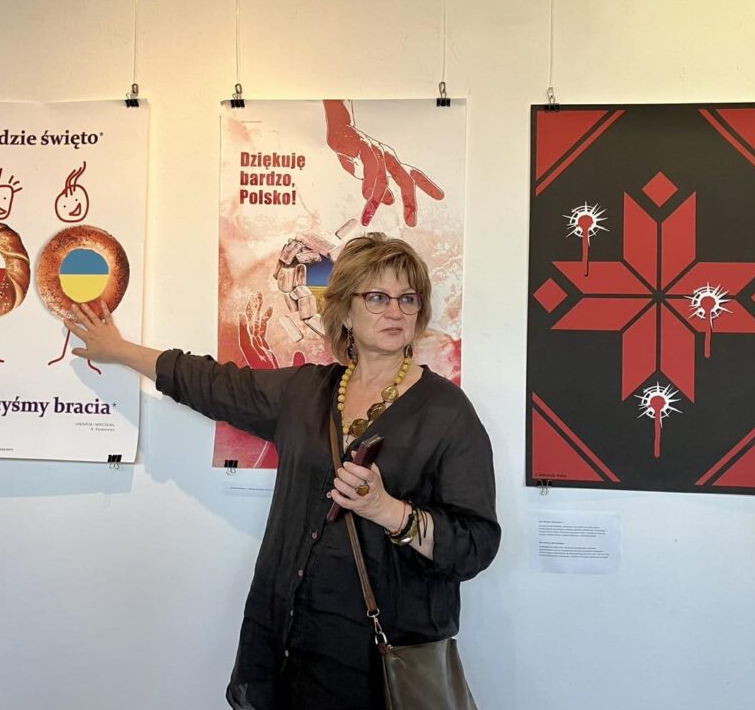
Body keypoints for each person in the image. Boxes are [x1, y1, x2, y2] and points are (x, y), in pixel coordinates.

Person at [66, 233, 500, 710]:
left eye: (408, 298)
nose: (395, 311)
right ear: (345, 311)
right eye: (377, 297)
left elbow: (476, 545)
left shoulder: (447, 412)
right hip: (288, 642)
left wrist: (389, 511)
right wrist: (119, 350)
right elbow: (211, 383)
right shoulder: (307, 392)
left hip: (376, 661)